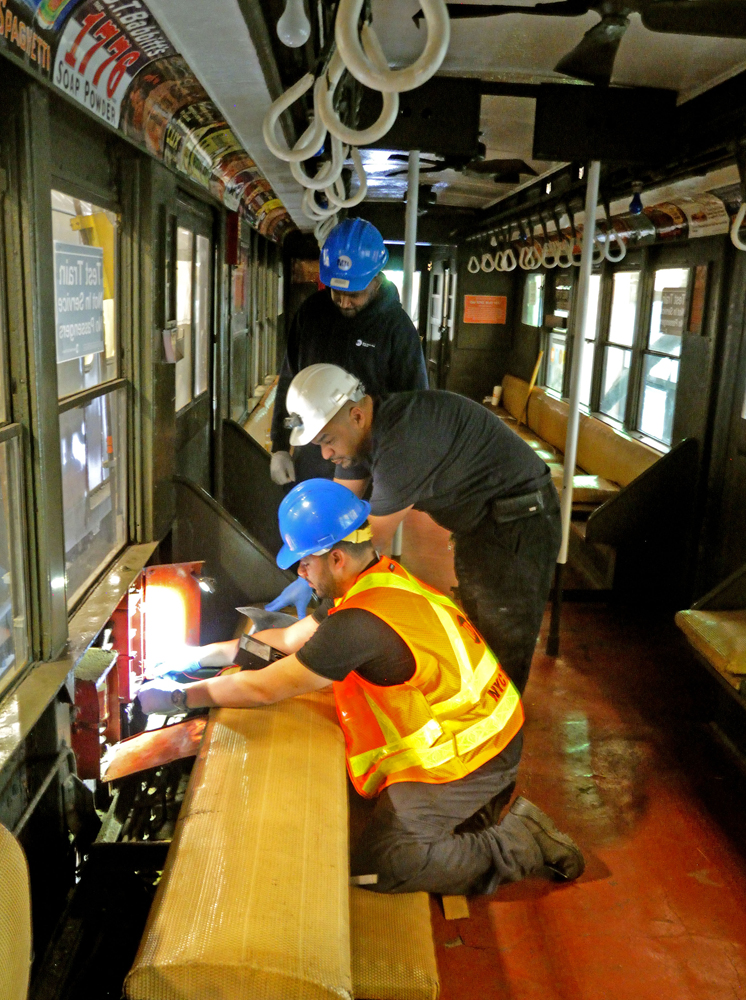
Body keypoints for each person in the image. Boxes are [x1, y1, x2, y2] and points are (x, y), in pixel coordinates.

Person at [137, 480, 583, 896]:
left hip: (477, 750)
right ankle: (473, 815)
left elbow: (264, 689)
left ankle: (521, 841)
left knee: (382, 866)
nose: (303, 576)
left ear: (336, 559)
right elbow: (287, 642)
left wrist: (180, 697)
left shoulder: (358, 624)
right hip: (483, 723)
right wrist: (198, 655)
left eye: (305, 564)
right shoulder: (375, 582)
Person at [280, 364, 562, 694]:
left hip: (519, 524)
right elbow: (338, 508)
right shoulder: (360, 435)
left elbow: (365, 547)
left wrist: (320, 609)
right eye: (319, 445)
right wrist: (307, 568)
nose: (327, 454)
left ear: (356, 415)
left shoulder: (404, 440)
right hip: (483, 525)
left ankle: (501, 737)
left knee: (500, 646)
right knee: (478, 638)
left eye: (327, 441)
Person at [270, 218, 428, 487]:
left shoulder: (397, 329)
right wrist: (280, 444)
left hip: (367, 461)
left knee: (359, 528)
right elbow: (290, 379)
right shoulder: (311, 315)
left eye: (353, 293)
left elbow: (414, 403)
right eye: (336, 290)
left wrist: (402, 465)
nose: (343, 301)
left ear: (375, 280)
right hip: (313, 450)